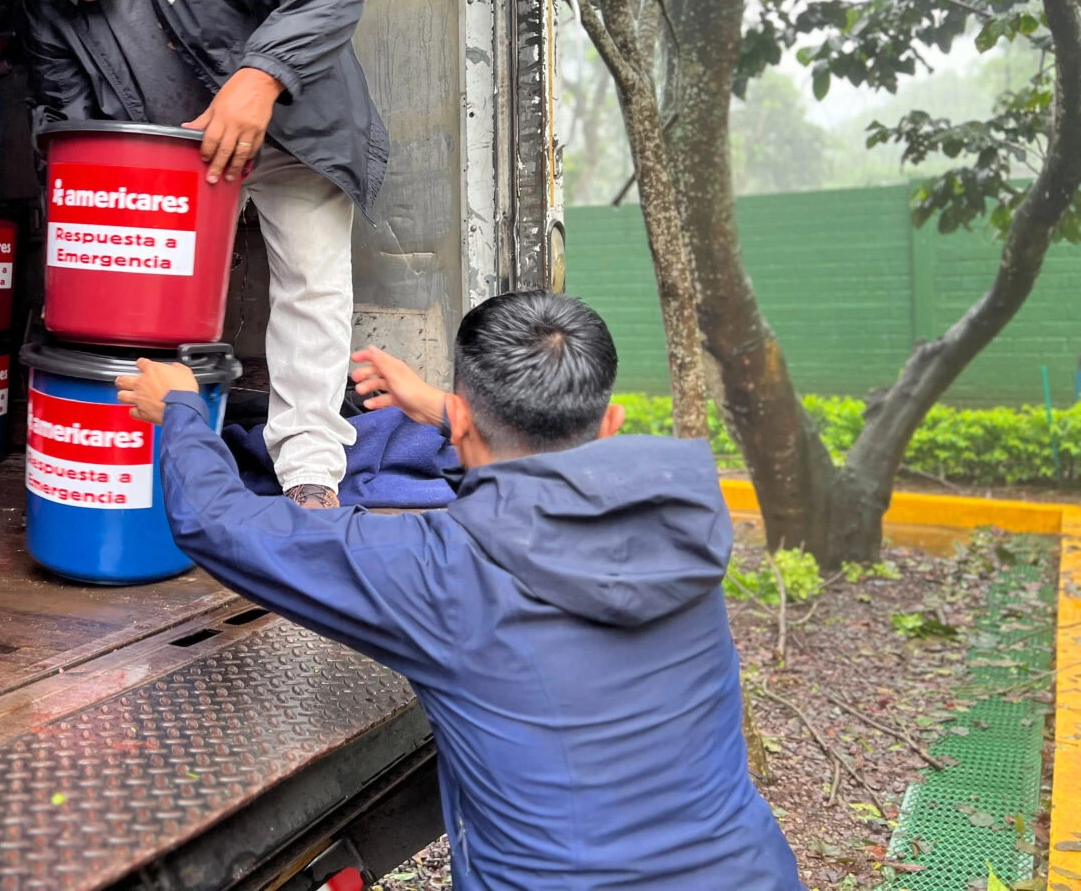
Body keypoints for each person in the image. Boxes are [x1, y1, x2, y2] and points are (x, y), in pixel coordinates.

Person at [116, 292, 802, 890]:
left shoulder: (444, 571)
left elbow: (220, 523)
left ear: (466, 424)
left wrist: (179, 408)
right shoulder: (675, 521)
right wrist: (447, 411)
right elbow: (563, 475)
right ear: (612, 422)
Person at [0, 0, 389, 509]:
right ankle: (161, 462)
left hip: (287, 128)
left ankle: (310, 475)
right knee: (148, 305)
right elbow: (61, 113)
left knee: (311, 286)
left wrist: (261, 77)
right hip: (167, 156)